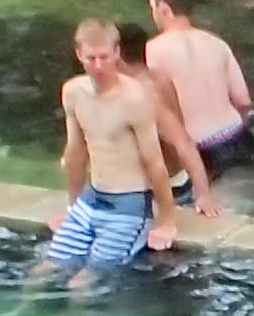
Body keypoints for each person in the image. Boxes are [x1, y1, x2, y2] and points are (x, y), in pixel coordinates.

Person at [41, 17, 209, 285]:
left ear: (117, 54)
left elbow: (167, 154)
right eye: (91, 58)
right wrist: (72, 206)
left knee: (81, 284)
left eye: (104, 57)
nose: (98, 66)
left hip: (133, 201)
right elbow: (75, 153)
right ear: (79, 56)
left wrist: (169, 218)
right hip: (93, 197)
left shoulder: (140, 95)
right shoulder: (73, 92)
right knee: (43, 271)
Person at [143, 0, 254, 179]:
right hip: (239, 140)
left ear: (163, 8)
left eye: (152, 7)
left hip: (199, 151)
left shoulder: (151, 51)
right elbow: (243, 101)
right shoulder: (218, 44)